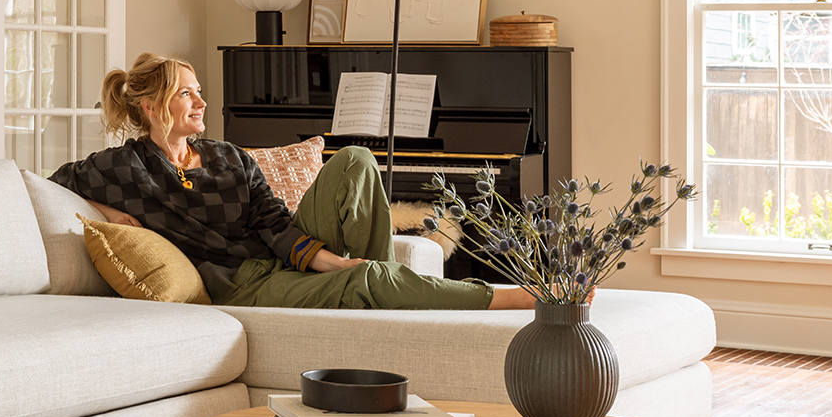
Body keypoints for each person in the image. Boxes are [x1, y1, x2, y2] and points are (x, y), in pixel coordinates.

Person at [50, 52, 537, 311]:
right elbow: (50, 180)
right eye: (185, 94)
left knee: (356, 158)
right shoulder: (124, 168)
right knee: (364, 277)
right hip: (241, 285)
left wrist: (329, 263)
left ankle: (378, 290)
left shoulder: (227, 155)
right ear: (151, 107)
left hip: (280, 260)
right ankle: (495, 297)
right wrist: (110, 215)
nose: (200, 102)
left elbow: (273, 220)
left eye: (199, 91)